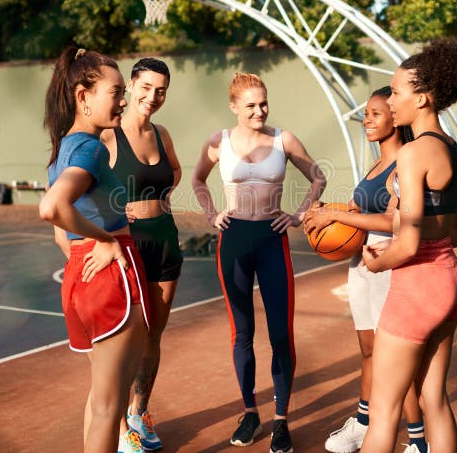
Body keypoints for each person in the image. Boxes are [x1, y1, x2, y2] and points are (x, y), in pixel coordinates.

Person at [359, 39, 457, 453]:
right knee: (434, 400)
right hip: (451, 280)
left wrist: (376, 264)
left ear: (423, 97)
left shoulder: (413, 154)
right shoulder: (454, 152)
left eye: (396, 92)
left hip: (417, 286)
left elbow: (408, 242)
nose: (391, 101)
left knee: (383, 410)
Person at [191, 73, 326, 453]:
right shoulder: (219, 141)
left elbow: (317, 178)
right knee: (242, 333)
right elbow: (198, 180)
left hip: (272, 240)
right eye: (250, 105)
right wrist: (210, 213)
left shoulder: (284, 139)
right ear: (234, 107)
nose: (259, 110)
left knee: (281, 333)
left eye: (263, 103)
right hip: (233, 240)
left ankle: (281, 420)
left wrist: (298, 215)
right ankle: (250, 412)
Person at [303, 87, 428, 453]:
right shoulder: (374, 165)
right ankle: (363, 422)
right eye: (366, 115)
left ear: (394, 116)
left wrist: (336, 215)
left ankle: (418, 439)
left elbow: (398, 220)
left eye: (375, 113)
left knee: (394, 359)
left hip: (389, 264)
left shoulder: (405, 159)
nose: (367, 121)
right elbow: (358, 214)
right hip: (362, 265)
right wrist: (324, 213)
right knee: (369, 350)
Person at [39, 46, 150, 453]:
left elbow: (60, 235)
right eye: (115, 91)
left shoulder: (59, 151)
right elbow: (52, 209)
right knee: (110, 406)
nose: (124, 101)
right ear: (83, 97)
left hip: (81, 276)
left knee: (99, 401)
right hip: (110, 274)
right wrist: (105, 241)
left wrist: (86, 253)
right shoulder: (91, 147)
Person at [100, 58, 182, 452]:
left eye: (161, 90)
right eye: (146, 87)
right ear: (131, 86)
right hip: (128, 247)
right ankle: (119, 430)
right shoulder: (108, 137)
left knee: (154, 336)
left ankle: (138, 413)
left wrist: (157, 201)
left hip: (165, 240)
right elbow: (84, 184)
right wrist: (119, 208)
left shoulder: (162, 133)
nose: (154, 96)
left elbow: (176, 171)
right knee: (125, 340)